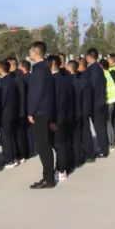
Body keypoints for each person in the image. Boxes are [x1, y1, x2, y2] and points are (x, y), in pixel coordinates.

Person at [26, 41, 56, 189]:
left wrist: (30, 111)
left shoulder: (39, 70)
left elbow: (35, 93)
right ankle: (48, 175)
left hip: (40, 112)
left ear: (35, 52)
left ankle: (49, 178)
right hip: (45, 111)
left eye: (30, 52)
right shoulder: (45, 68)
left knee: (43, 147)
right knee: (45, 146)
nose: (29, 54)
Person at [50, 54, 75, 183]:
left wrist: (53, 120)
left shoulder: (54, 80)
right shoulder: (66, 78)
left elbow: (57, 102)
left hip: (58, 119)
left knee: (59, 145)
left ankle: (61, 170)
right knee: (62, 144)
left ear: (52, 64)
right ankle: (61, 167)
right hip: (67, 116)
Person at [85, 48, 110, 158]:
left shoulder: (93, 69)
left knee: (99, 127)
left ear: (89, 57)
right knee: (102, 127)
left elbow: (92, 87)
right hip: (101, 101)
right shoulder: (99, 68)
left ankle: (103, 150)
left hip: (96, 103)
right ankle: (104, 147)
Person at [0, 56, 23, 168]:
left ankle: (9, 160)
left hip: (5, 113)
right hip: (12, 112)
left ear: (1, 68)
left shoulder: (5, 81)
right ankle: (14, 158)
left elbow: (2, 100)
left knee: (6, 138)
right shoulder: (11, 80)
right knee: (11, 136)